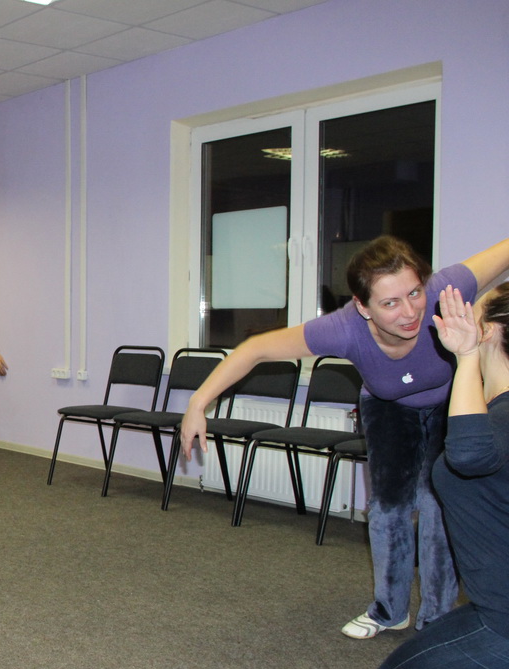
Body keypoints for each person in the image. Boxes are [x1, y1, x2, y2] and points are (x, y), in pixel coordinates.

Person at [180, 235, 509, 639]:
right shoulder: (342, 329)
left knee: (437, 503)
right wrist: (198, 403)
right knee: (388, 508)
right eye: (390, 303)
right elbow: (254, 350)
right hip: (388, 405)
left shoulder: (446, 289)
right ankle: (389, 611)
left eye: (414, 293)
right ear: (363, 307)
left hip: (449, 400)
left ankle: (437, 621)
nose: (409, 312)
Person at [373, 283, 509, 669]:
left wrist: (466, 357)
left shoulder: (499, 420)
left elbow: (469, 455)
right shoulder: (495, 411)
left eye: (473, 315)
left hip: (503, 617)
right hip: (492, 604)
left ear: (487, 331)